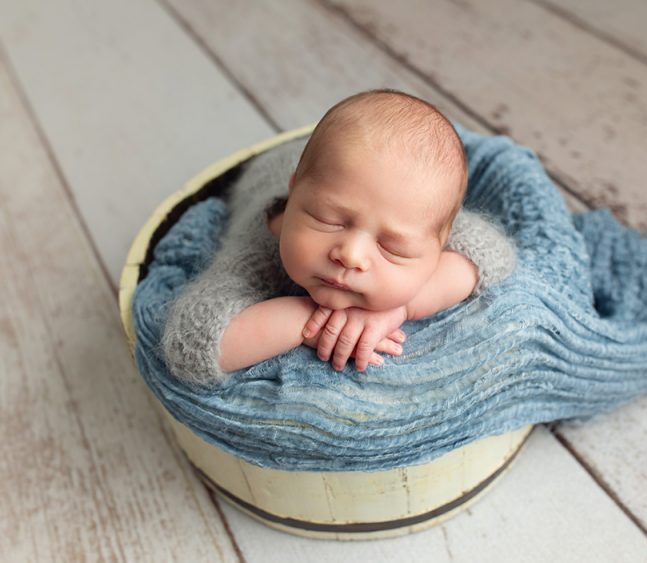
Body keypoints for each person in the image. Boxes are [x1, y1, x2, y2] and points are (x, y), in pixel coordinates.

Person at [162, 90, 515, 385]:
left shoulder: (410, 210)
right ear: (295, 193)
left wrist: (401, 307)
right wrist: (313, 320)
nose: (351, 254)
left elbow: (491, 252)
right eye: (328, 220)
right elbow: (190, 346)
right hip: (279, 166)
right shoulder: (259, 251)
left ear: (436, 245)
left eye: (391, 247)